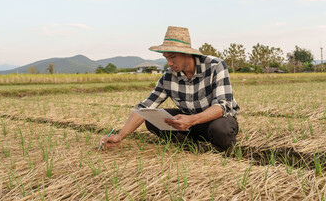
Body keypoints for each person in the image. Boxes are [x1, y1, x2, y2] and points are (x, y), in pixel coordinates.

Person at [99, 26, 239, 154]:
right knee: (152, 118)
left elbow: (223, 105)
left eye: (173, 57)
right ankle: (190, 146)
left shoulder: (215, 66)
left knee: (221, 129)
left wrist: (192, 120)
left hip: (214, 121)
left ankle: (223, 154)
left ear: (187, 54)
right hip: (188, 124)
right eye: (166, 57)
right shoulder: (168, 77)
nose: (169, 62)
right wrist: (120, 136)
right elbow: (145, 107)